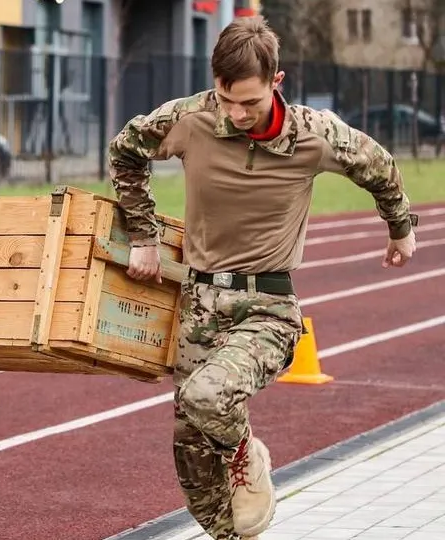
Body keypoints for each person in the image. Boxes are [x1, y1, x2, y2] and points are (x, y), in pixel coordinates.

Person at [107, 16, 418, 540]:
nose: (235, 114)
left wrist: (400, 229)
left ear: (277, 81)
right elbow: (125, 151)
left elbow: (379, 166)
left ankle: (247, 450)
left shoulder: (314, 135)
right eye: (226, 99)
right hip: (200, 302)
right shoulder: (192, 118)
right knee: (193, 455)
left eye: (248, 103)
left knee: (209, 401)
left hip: (268, 307)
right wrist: (142, 236)